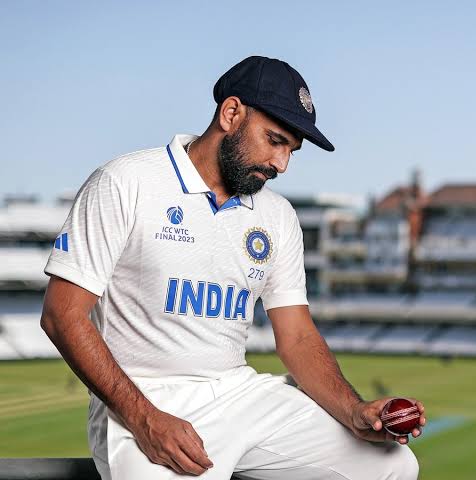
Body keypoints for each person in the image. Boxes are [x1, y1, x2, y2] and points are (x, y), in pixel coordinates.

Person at [41, 55, 425, 480]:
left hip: (239, 392)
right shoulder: (124, 181)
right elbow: (62, 315)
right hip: (147, 397)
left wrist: (354, 410)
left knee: (393, 466)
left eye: (291, 151)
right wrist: (144, 417)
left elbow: (296, 337)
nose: (282, 165)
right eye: (275, 140)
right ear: (231, 113)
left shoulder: (277, 215)